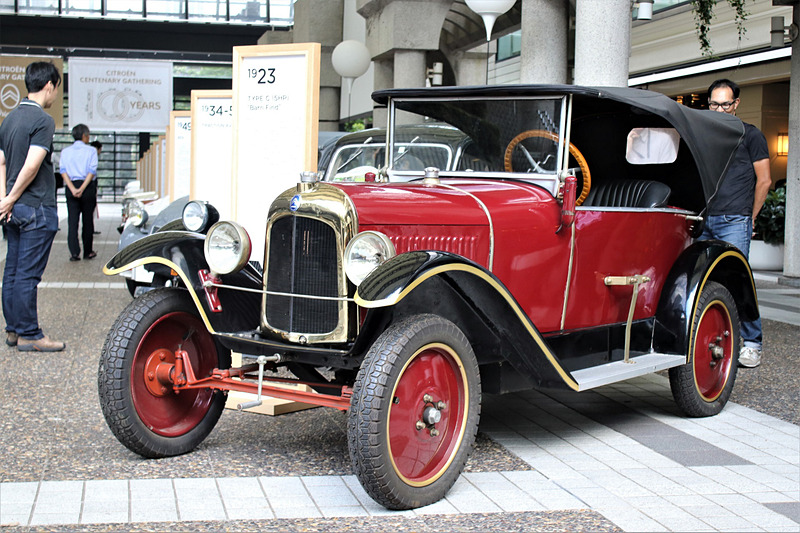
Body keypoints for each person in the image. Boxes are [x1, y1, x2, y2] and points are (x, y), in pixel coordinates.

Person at [702, 79, 771, 368]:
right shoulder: (703, 134)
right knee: (702, 282)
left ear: (736, 104)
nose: (720, 109)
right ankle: (709, 339)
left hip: (734, 219)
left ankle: (752, 343)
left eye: (725, 104)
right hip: (704, 219)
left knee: (738, 281)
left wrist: (749, 217)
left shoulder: (750, 135)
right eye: (714, 104)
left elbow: (764, 180)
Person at [0, 61, 65, 352]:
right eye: (55, 89)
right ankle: (29, 334)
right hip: (35, 208)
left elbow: (1, 162)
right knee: (27, 275)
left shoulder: (9, 120)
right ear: (49, 86)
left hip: (13, 210)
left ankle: (13, 330)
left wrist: (4, 199)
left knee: (12, 272)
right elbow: (32, 164)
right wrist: (12, 197)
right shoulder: (43, 121)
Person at [60, 124, 98, 261]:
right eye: (88, 135)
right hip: (87, 188)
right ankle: (88, 252)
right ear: (84, 136)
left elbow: (63, 171)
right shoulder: (91, 151)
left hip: (71, 187)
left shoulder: (65, 151)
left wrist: (73, 189)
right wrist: (82, 189)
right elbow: (92, 171)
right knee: (88, 221)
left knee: (72, 221)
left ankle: (74, 253)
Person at [89, 140, 102, 235]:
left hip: (90, 184)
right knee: (90, 210)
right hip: (90, 184)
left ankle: (90, 229)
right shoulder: (92, 156)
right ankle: (90, 229)